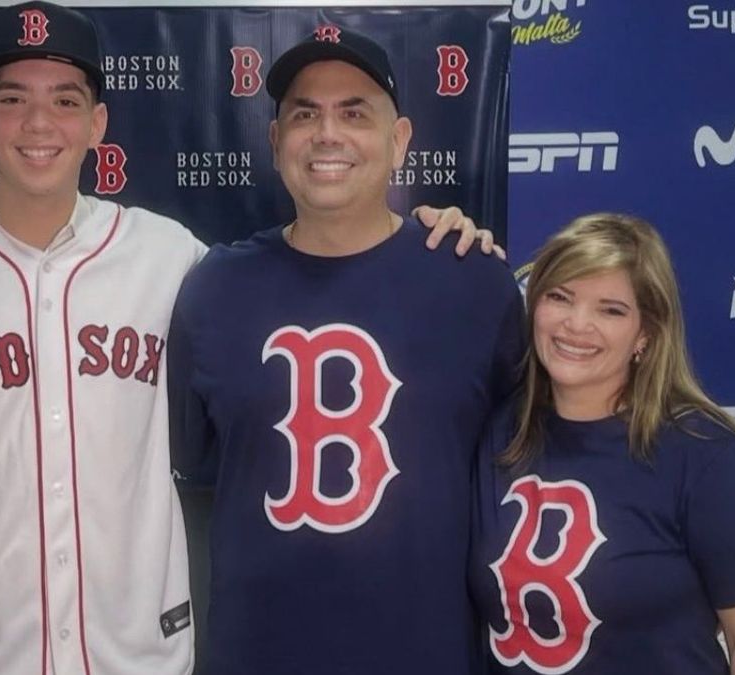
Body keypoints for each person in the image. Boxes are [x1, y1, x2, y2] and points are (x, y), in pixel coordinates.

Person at [0, 3, 496, 674]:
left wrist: (427, 230)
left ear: (99, 121)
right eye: (13, 97)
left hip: (143, 653)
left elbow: (326, 285)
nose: (40, 122)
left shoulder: (177, 261)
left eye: (66, 99)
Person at [166, 28, 523, 675]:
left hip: (428, 655)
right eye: (305, 114)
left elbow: (524, 465)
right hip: (257, 654)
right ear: (275, 143)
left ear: (401, 139)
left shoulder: (476, 282)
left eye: (355, 111)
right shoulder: (212, 289)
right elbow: (194, 467)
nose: (327, 133)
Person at [469, 213, 735, 675]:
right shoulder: (501, 430)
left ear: (646, 333)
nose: (577, 325)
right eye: (560, 297)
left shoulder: (704, 453)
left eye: (610, 310)